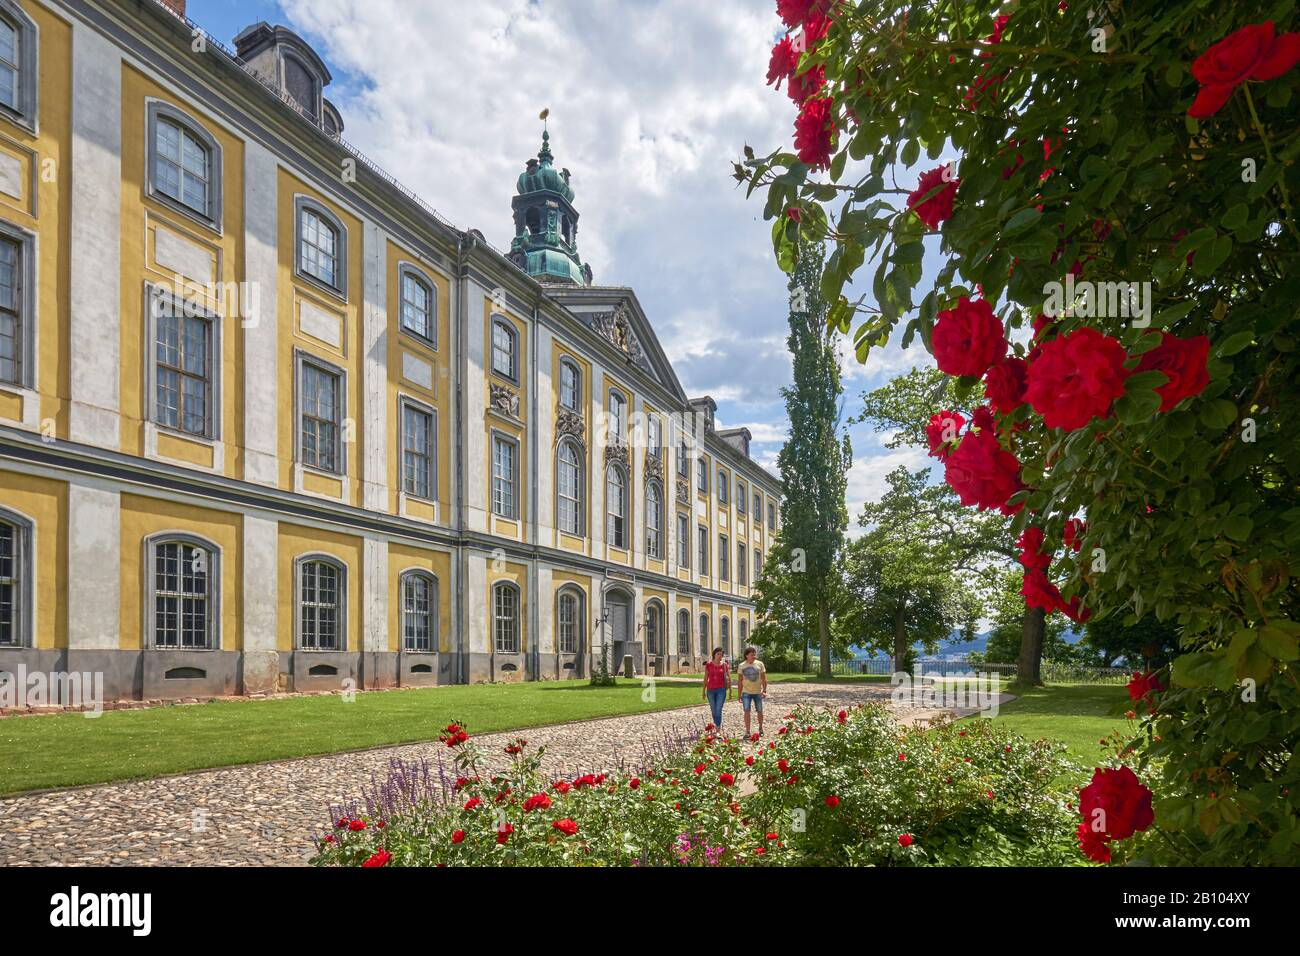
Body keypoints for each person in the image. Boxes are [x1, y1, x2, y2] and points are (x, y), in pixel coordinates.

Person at [736, 645, 767, 737]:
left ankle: (761, 728)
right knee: (746, 711)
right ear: (747, 655)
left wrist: (764, 690)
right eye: (752, 655)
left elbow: (764, 678)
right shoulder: (741, 666)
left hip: (757, 692)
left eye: (755, 655)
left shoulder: (760, 664)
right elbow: (740, 681)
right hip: (746, 693)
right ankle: (748, 731)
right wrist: (739, 694)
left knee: (760, 711)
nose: (754, 656)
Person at [703, 647, 730, 730]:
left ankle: (718, 728)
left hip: (721, 690)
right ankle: (716, 724)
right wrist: (703, 691)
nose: (720, 656)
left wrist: (730, 690)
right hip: (710, 690)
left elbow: (728, 678)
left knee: (718, 709)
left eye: (721, 654)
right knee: (713, 710)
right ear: (714, 654)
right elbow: (705, 678)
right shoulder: (709, 665)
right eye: (718, 654)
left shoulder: (724, 665)